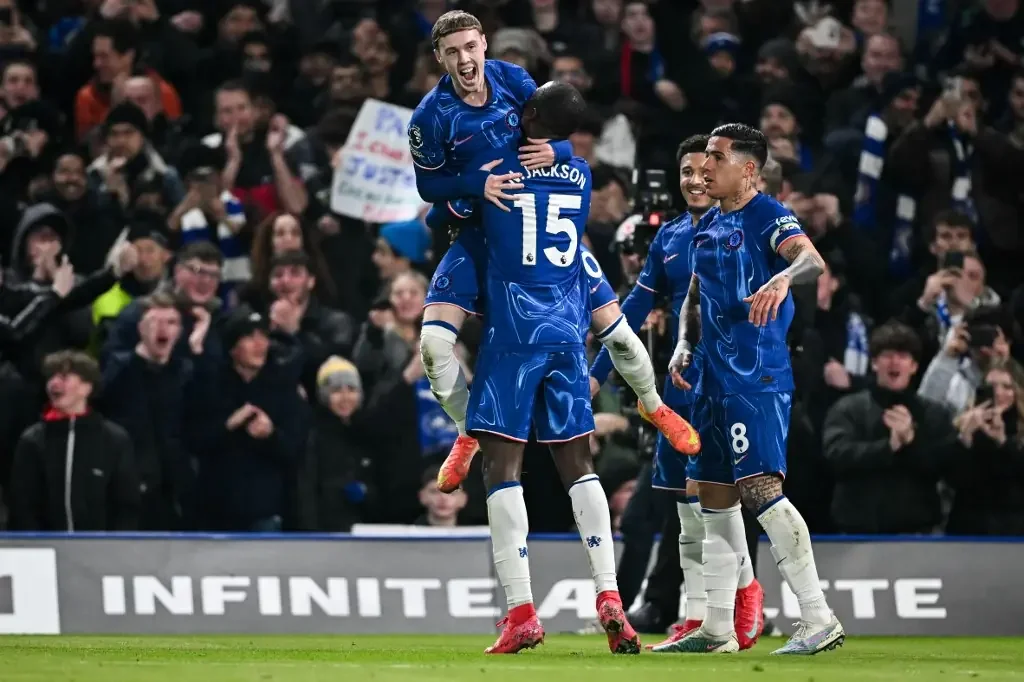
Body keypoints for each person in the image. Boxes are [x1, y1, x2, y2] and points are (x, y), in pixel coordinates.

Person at [409, 11, 695, 494]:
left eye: (471, 47)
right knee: (434, 346)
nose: (465, 59)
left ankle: (653, 404)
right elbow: (428, 186)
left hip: (542, 230)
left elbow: (554, 124)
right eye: (453, 51)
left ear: (484, 44)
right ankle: (465, 429)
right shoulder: (429, 117)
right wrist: (477, 184)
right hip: (479, 232)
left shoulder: (513, 80)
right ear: (440, 57)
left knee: (621, 335)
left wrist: (559, 153)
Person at [465, 81, 639, 655]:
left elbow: (448, 191)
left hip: (513, 332)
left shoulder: (498, 167)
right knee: (578, 465)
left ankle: (521, 611)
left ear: (531, 112)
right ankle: (610, 594)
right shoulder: (580, 173)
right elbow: (563, 151)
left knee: (501, 468)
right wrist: (562, 149)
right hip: (567, 331)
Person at [663, 124, 844, 655]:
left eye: (715, 158)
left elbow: (810, 258)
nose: (704, 167)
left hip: (756, 380)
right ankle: (717, 628)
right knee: (713, 497)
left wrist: (783, 277)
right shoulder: (709, 223)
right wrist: (684, 342)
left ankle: (818, 617)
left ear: (747, 170)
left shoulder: (767, 214)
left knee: (761, 490)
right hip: (712, 381)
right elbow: (696, 291)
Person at [591, 133, 764, 650]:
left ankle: (747, 597)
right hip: (680, 388)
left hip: (730, 385)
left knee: (723, 503)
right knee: (686, 509)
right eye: (685, 171)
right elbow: (629, 315)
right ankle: (696, 615)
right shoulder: (668, 238)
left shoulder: (743, 227)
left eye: (703, 169)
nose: (695, 179)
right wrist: (595, 376)